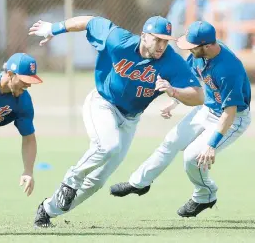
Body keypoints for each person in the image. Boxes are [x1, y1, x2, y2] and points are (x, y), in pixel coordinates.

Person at [28, 15, 204, 227]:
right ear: (144, 36)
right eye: (157, 39)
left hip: (130, 120)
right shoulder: (118, 39)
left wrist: (174, 91)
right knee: (108, 145)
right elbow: (91, 21)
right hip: (102, 104)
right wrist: (53, 28)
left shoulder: (171, 61)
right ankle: (71, 180)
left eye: (166, 40)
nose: (161, 45)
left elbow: (198, 95)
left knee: (97, 181)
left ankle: (47, 209)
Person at [110, 21, 252, 218]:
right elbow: (189, 83)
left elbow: (229, 112)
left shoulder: (229, 69)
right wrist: (175, 101)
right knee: (170, 141)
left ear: (208, 46)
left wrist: (212, 145)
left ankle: (205, 195)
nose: (188, 49)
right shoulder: (200, 54)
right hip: (207, 109)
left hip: (233, 118)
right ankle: (139, 183)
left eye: (192, 46)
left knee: (193, 157)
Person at [0, 53, 43, 202]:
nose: (28, 85)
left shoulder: (23, 102)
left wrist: (28, 171)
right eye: (25, 80)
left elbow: (28, 138)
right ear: (11, 74)